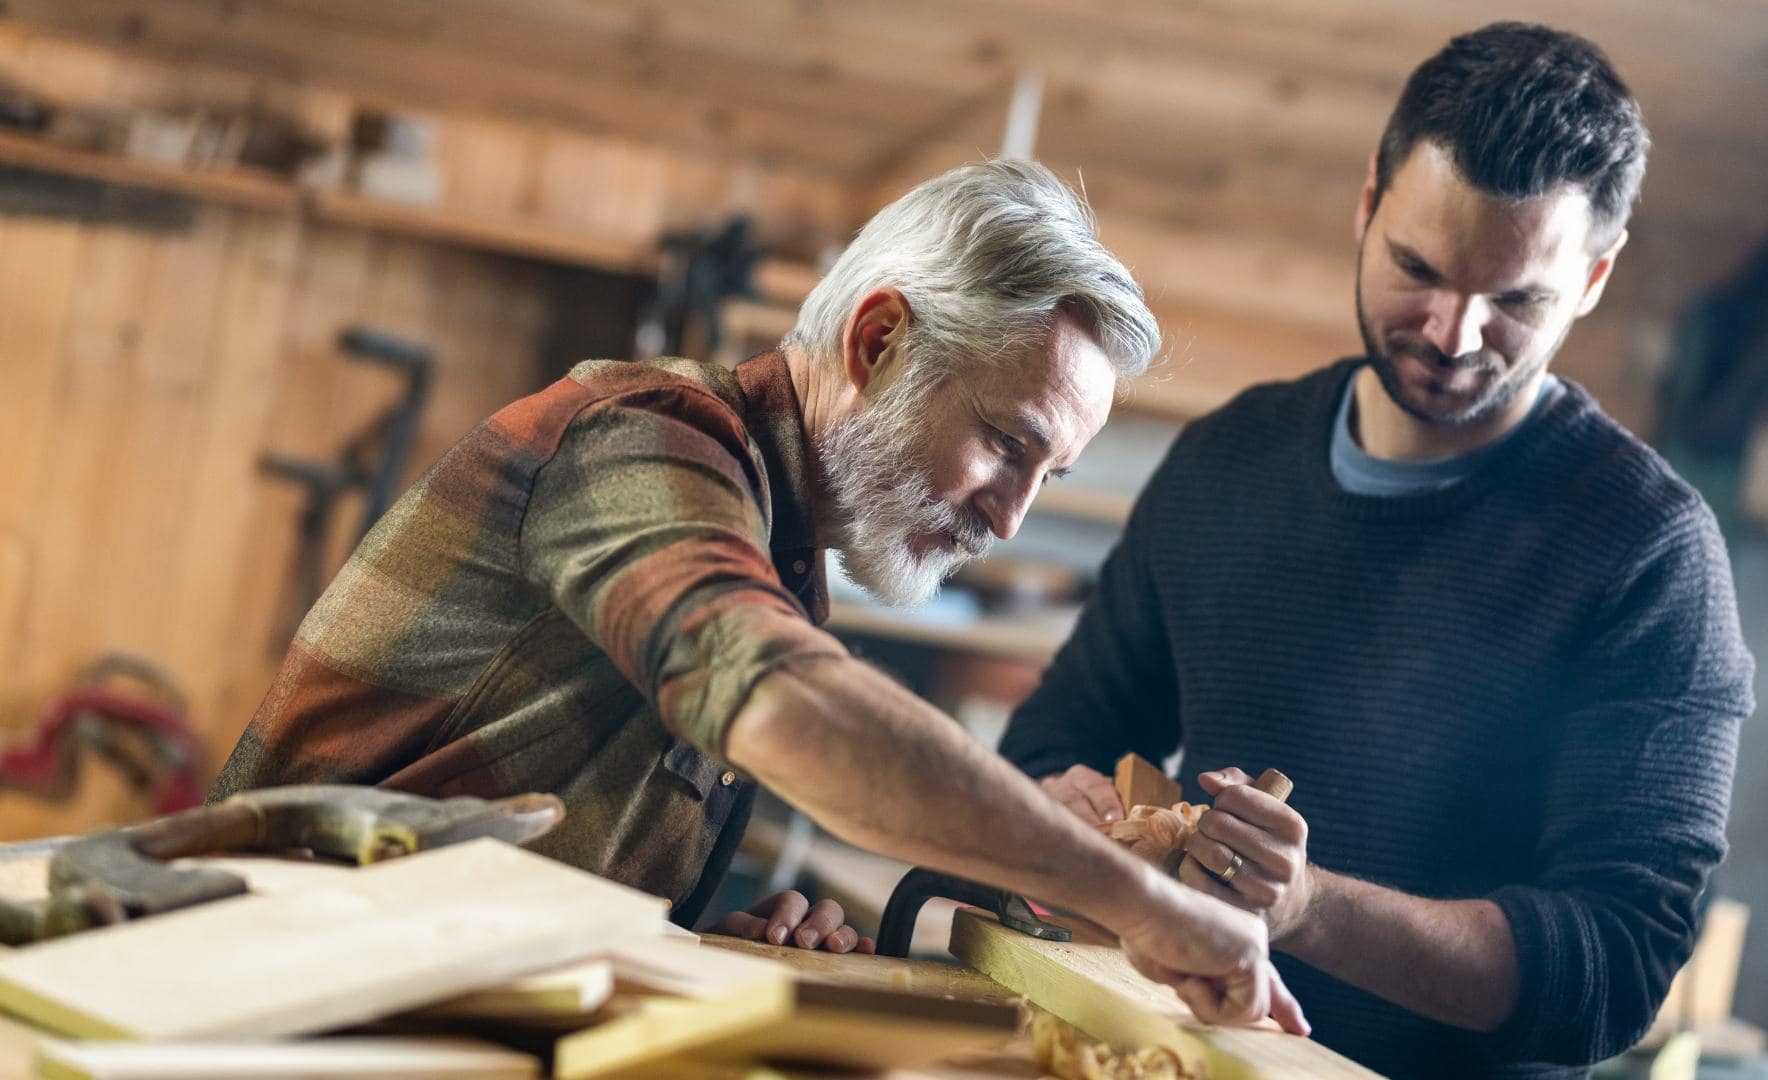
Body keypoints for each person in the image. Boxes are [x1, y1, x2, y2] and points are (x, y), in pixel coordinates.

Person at [209, 159, 1306, 1031]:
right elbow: (784, 702)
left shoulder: (781, 551)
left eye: (1047, 477)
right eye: (1005, 444)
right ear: (880, 341)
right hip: (238, 1010)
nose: (1010, 518)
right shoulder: (646, 438)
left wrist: (690, 936)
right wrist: (1142, 904)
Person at [1001, 23, 1753, 1077]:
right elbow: (1048, 745)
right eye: (1419, 268)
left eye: (1515, 302)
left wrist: (1307, 909)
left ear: (1592, 279)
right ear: (1367, 203)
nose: (1452, 333)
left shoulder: (1649, 553)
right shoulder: (1227, 462)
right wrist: (1059, 819)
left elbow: (1619, 965)